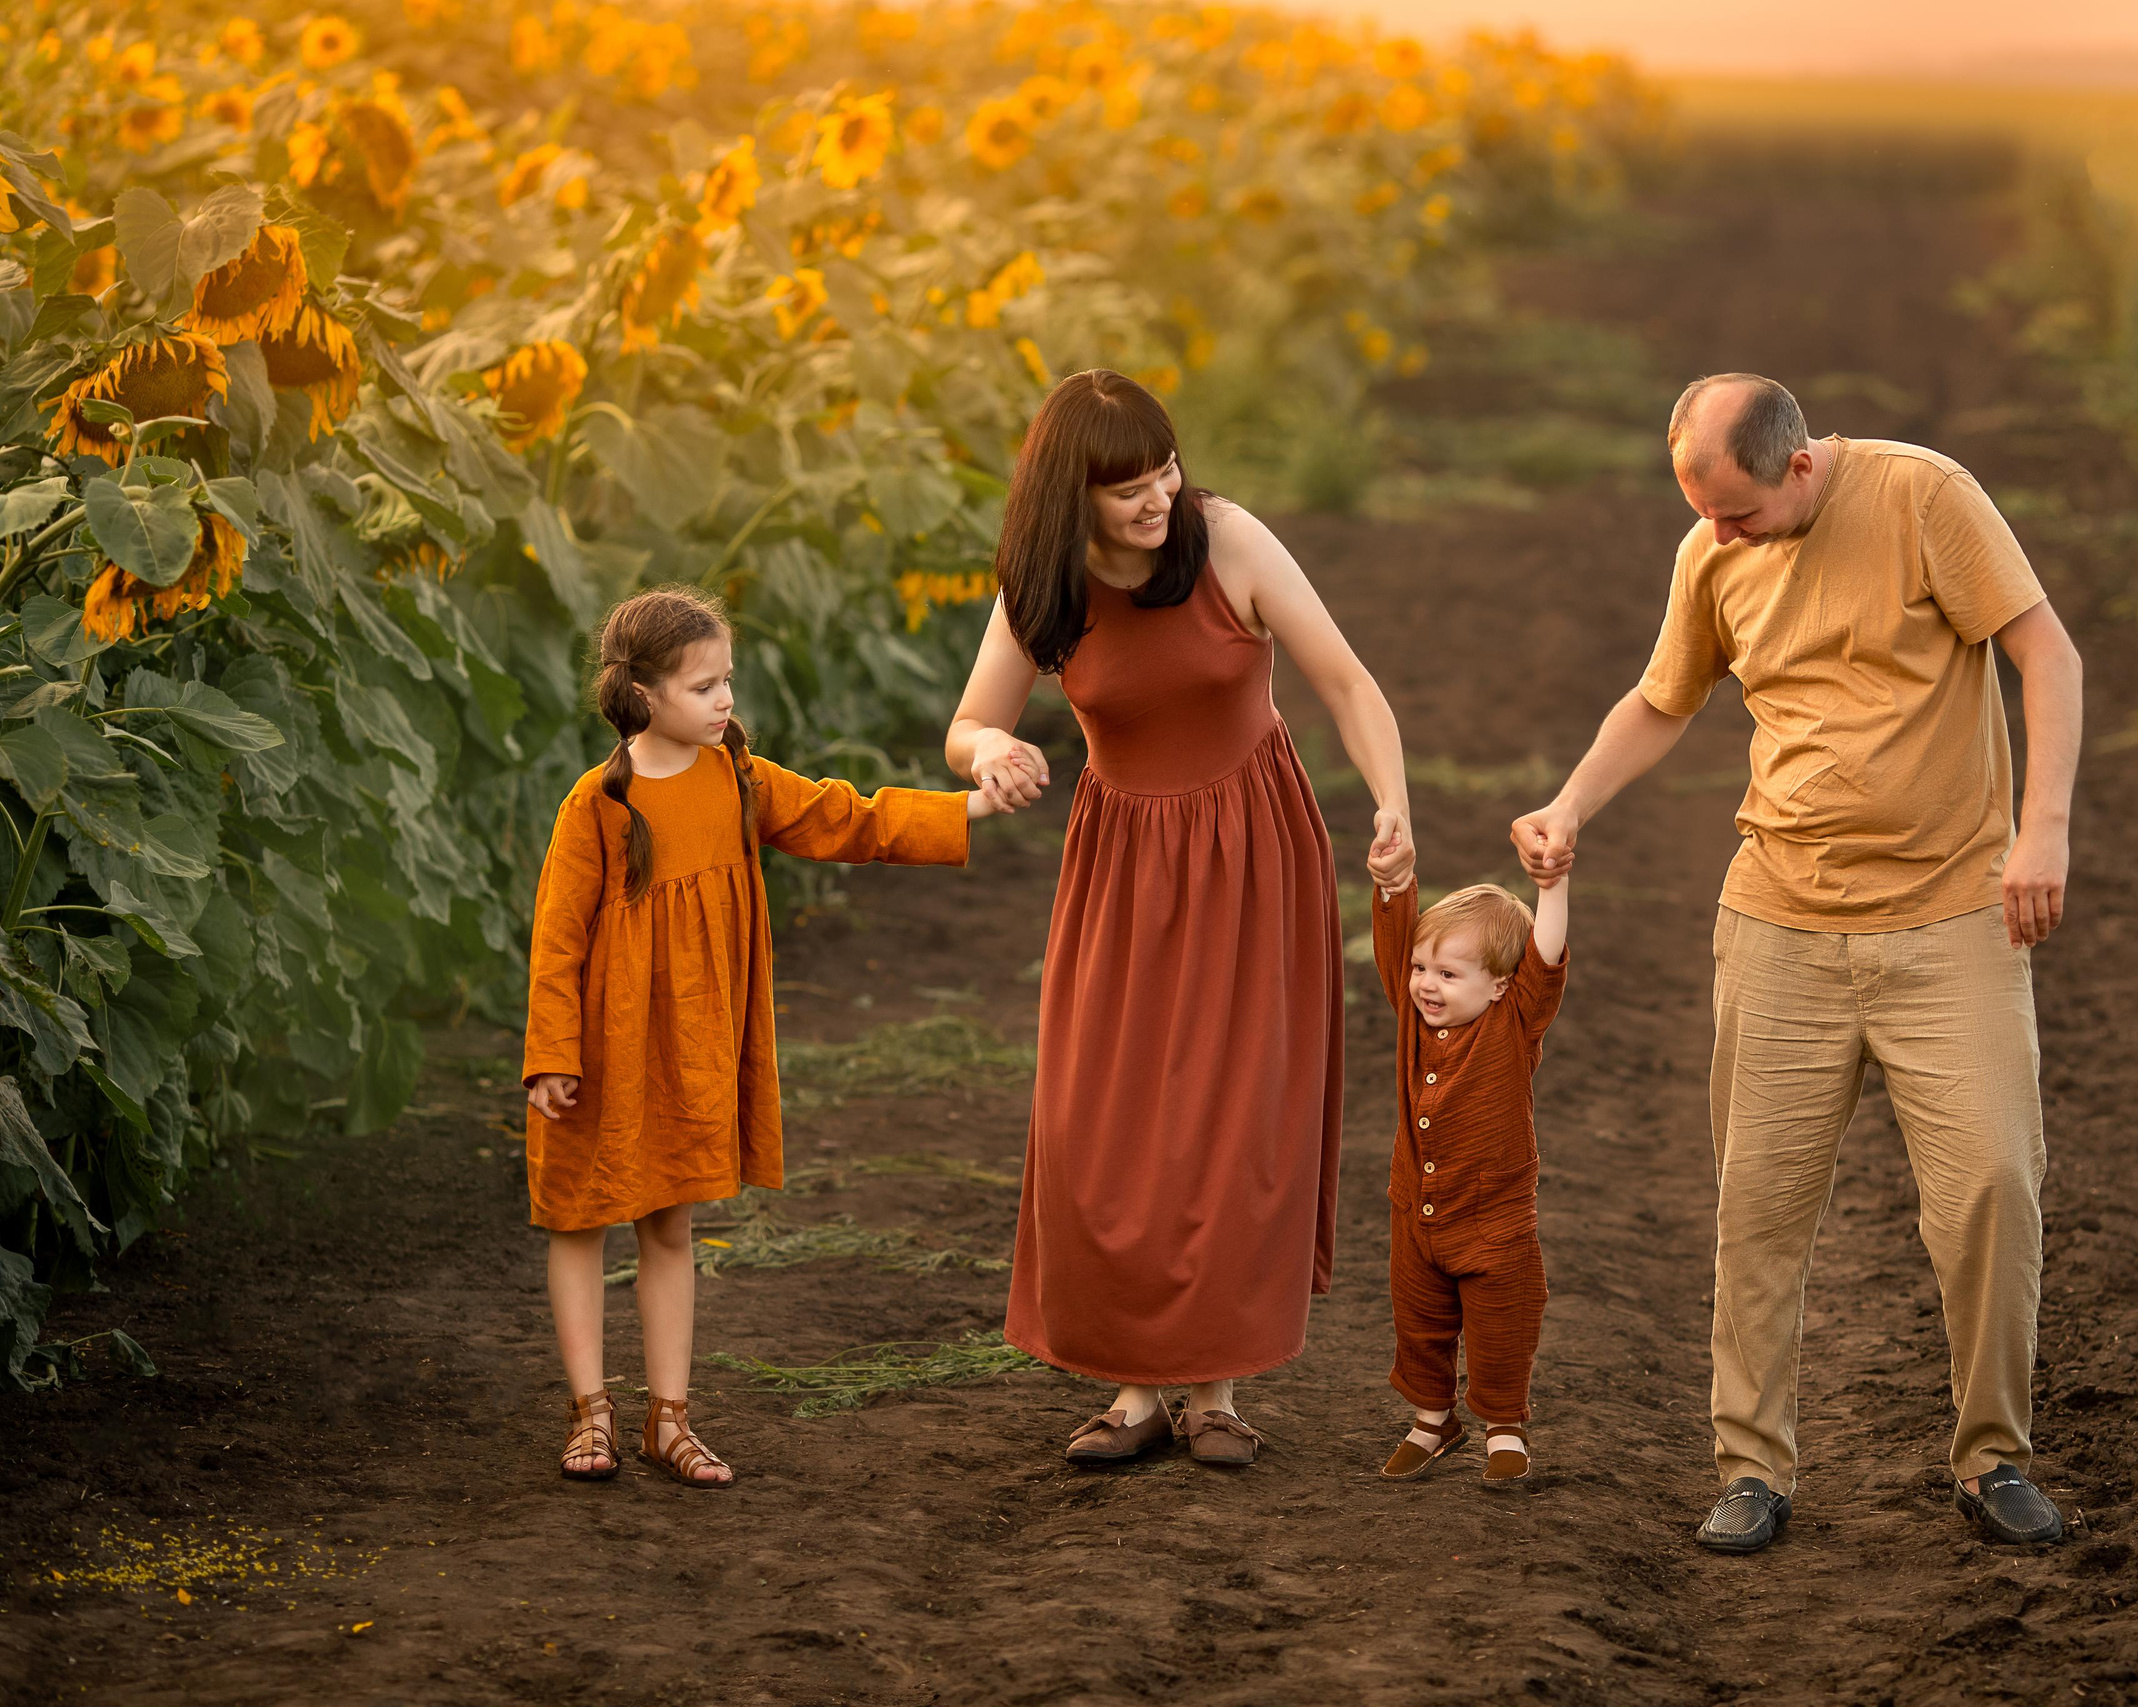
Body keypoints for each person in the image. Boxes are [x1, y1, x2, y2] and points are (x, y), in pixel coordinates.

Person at [1512, 374, 2084, 1551]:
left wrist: (2045, 829)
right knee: (1759, 1206)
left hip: (1950, 916)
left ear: (1801, 466)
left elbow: (2049, 656)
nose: (1718, 536)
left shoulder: (1926, 497)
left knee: (1990, 1187)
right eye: (1702, 513)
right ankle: (1752, 1467)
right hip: (1779, 920)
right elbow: (1661, 699)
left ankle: (1991, 1458)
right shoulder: (1709, 554)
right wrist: (1569, 805)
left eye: (1738, 513)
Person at [948, 369, 1413, 1469]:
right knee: (1101, 1123)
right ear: (1072, 496)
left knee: (1231, 1111)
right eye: (1128, 487)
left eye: (1165, 469)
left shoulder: (1229, 540)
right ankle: (1133, 1389)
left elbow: (1347, 684)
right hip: (1120, 866)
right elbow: (971, 721)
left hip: (1252, 852)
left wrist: (1392, 804)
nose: (1159, 496)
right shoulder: (1041, 583)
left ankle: (1214, 1392)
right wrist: (994, 753)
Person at [524, 585, 993, 1488]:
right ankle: (591, 1415)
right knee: (578, 1219)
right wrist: (550, 1055)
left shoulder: (738, 778)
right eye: (705, 687)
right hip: (600, 1048)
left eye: (727, 679)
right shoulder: (596, 804)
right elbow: (557, 937)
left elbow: (844, 817)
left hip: (690, 1045)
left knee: (669, 1222)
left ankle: (670, 1417)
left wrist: (965, 810)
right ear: (644, 694)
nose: (726, 700)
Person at [1369, 874, 1569, 1487]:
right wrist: (1393, 879)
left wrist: (1554, 886)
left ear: (1501, 985)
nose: (1428, 984)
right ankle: (1434, 1421)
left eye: (1450, 975)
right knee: (1419, 1323)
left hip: (1493, 1221)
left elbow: (1547, 956)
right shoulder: (1412, 1015)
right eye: (1422, 968)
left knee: (1501, 1326)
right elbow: (1393, 937)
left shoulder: (1512, 1025)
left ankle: (1504, 1425)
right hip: (1416, 1212)